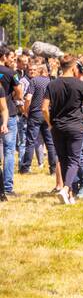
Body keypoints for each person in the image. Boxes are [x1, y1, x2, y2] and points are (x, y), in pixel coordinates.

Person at [42, 56, 83, 205]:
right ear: (74, 67)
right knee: (74, 159)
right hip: (75, 126)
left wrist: (50, 123)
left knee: (63, 159)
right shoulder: (80, 84)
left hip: (57, 127)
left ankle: (70, 194)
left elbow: (44, 108)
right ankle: (66, 188)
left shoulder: (52, 84)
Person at [20, 61, 56, 177]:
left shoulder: (34, 81)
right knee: (50, 143)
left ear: (39, 71)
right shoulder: (51, 82)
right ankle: (53, 168)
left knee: (30, 141)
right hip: (48, 114)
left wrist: (26, 111)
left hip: (35, 113)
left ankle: (25, 168)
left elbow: (28, 98)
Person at [0, 46, 20, 199]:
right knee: (9, 151)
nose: (12, 59)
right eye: (10, 56)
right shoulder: (11, 73)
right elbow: (19, 91)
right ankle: (7, 187)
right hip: (9, 113)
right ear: (4, 56)